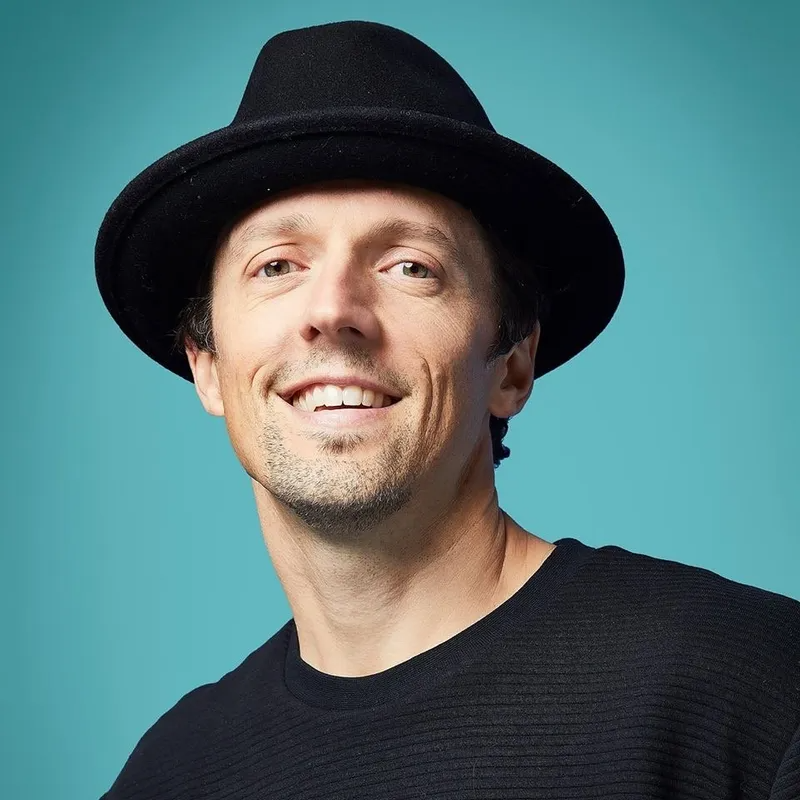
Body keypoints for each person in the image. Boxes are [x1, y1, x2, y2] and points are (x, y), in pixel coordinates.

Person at [95, 20, 799, 800]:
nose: (333, 310)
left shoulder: (753, 691)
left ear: (514, 364)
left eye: (410, 266)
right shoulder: (169, 775)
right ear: (210, 368)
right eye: (277, 265)